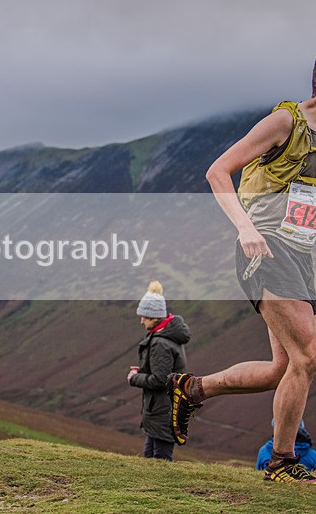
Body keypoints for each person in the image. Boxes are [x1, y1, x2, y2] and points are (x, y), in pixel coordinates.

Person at [168, 60, 316, 482]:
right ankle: (283, 462)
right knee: (308, 353)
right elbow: (218, 170)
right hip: (266, 248)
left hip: (304, 257)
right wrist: (246, 228)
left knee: (281, 368)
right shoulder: (285, 121)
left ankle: (192, 390)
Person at [127, 281, 190, 461]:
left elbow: (160, 379)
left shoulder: (160, 343)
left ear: (154, 317)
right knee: (151, 456)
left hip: (161, 410)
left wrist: (134, 377)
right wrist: (143, 371)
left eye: (144, 317)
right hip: (163, 408)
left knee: (159, 459)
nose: (141, 320)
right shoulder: (166, 338)